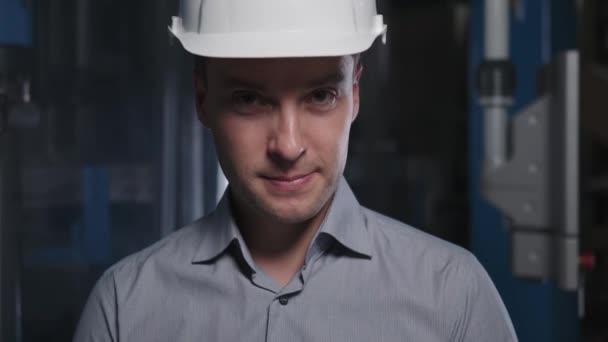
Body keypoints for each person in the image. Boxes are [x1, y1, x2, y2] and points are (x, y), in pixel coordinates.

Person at [74, 0, 518, 341]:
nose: (288, 145)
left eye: (321, 96)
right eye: (250, 99)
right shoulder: (124, 310)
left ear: (355, 95)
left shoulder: (453, 298)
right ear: (203, 99)